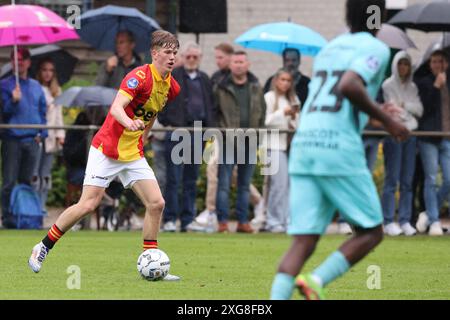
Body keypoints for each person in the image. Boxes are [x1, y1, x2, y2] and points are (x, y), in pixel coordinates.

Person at [270, 0, 409, 300]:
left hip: (305, 143)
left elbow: (336, 97)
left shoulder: (329, 48)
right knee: (371, 231)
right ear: (379, 16)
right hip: (336, 146)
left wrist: (373, 111)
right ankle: (317, 280)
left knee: (303, 242)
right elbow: (349, 86)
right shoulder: (377, 49)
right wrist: (389, 122)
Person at [28, 30, 182, 281]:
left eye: (175, 52)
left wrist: (143, 136)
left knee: (157, 203)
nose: (172, 57)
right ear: (155, 53)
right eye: (167, 52)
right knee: (88, 204)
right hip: (107, 149)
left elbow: (152, 113)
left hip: (132, 153)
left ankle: (151, 262)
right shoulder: (139, 77)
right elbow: (117, 108)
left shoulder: (171, 86)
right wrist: (129, 123)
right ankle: (43, 246)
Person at [157, 41, 215, 232]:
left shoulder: (205, 79)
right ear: (183, 57)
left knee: (191, 179)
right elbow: (161, 101)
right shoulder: (173, 77)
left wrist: (209, 129)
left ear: (200, 58)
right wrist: (167, 122)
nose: (191, 60)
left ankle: (188, 219)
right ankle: (170, 219)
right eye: (188, 56)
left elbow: (210, 105)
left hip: (198, 133)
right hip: (177, 132)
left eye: (195, 57)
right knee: (173, 178)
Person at [215, 50, 266, 233]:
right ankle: (222, 222)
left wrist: (259, 137)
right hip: (228, 141)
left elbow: (262, 113)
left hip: (250, 141)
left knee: (245, 184)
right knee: (224, 183)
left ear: (248, 64)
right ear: (230, 65)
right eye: (235, 61)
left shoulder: (256, 86)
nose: (238, 64)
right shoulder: (221, 86)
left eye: (241, 61)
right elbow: (215, 112)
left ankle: (243, 221)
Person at [0, 47, 47, 228]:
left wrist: (42, 134)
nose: (18, 63)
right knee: (9, 181)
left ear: (28, 62)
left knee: (27, 182)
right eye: (15, 59)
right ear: (11, 62)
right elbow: (3, 113)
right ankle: (8, 218)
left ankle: (25, 217)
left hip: (32, 140)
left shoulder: (36, 87)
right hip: (12, 139)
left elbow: (42, 113)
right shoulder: (4, 85)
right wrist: (13, 100)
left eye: (22, 59)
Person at [381, 51, 423, 236]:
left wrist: (405, 106)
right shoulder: (387, 85)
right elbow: (392, 111)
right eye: (400, 64)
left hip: (410, 135)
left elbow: (419, 110)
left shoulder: (413, 87)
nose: (403, 68)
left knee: (407, 180)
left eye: (406, 64)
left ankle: (405, 220)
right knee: (392, 179)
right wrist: (407, 112)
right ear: (395, 65)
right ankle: (388, 220)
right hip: (394, 134)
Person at [415, 50, 450, 236]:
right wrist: (436, 87)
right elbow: (423, 110)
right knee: (430, 179)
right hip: (428, 136)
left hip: (447, 137)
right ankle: (434, 221)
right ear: (430, 64)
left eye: (441, 61)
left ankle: (428, 213)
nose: (437, 65)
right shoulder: (424, 83)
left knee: (449, 179)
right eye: (434, 61)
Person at [262, 68, 300, 233]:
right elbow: (265, 121)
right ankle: (273, 220)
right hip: (272, 146)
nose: (285, 83)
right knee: (277, 185)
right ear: (276, 80)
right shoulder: (269, 98)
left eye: (288, 80)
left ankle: (285, 220)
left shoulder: (293, 99)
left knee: (288, 185)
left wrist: (292, 118)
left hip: (288, 146)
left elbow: (297, 124)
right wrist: (282, 113)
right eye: (282, 79)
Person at [32, 58, 65, 216]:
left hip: (51, 136)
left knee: (45, 174)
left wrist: (60, 134)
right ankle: (33, 205)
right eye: (44, 70)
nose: (47, 73)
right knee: (34, 173)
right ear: (40, 71)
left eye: (50, 70)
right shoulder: (34, 87)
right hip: (38, 135)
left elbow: (58, 115)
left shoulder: (56, 90)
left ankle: (42, 205)